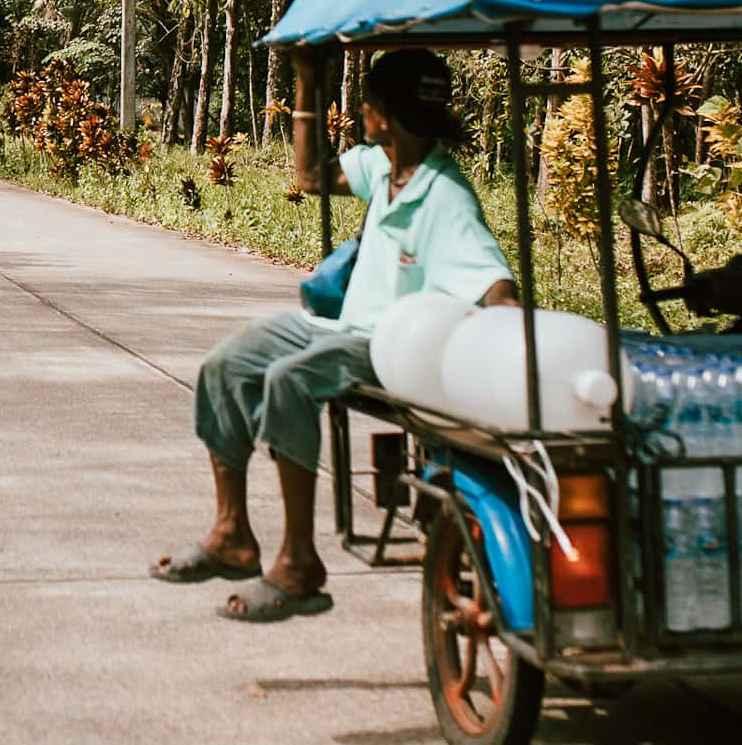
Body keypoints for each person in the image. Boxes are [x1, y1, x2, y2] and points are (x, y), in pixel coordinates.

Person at [150, 48, 518, 623]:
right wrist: (305, 80)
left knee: (288, 381)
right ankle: (232, 533)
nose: (361, 115)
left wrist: (510, 345)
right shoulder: (387, 167)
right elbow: (313, 174)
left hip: (390, 346)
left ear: (384, 116)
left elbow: (495, 281)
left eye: (367, 106)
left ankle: (299, 563)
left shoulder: (447, 198)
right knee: (228, 362)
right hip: (341, 325)